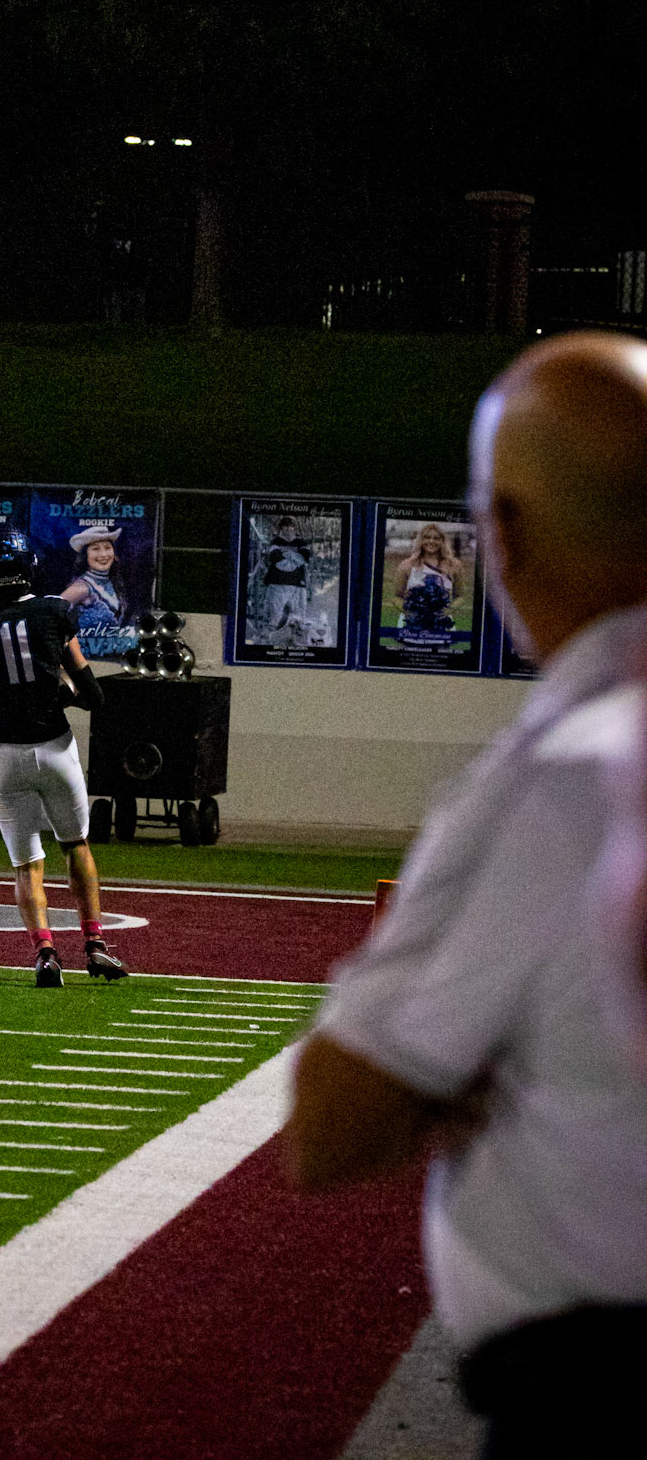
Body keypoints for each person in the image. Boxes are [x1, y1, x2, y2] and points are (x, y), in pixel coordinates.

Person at [284, 333, 647, 1456]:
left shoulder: (560, 779)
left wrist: (469, 1069)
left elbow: (332, 1125)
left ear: (507, 531)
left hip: (598, 1382)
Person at [0, 520, 129, 987]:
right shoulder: (55, 612)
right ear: (27, 566)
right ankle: (96, 946)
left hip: (5, 756)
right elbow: (94, 696)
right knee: (76, 844)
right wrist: (62, 694)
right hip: (55, 749)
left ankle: (45, 954)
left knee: (27, 865)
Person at [393, 519, 463, 646]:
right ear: (420, 540)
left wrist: (447, 611)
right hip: (412, 629)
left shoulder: (454, 565)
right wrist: (411, 613)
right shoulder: (407, 564)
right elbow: (396, 596)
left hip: (441, 628)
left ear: (442, 541)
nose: (431, 541)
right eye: (427, 537)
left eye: (436, 538)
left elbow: (460, 596)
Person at [60, 525, 129, 640]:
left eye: (107, 548)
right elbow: (51, 616)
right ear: (85, 555)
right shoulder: (81, 587)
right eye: (96, 549)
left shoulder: (114, 582)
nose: (103, 555)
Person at [251, 514, 312, 640]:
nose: (288, 530)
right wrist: (294, 557)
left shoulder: (301, 543)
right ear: (281, 529)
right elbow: (275, 558)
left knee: (299, 610)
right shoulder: (275, 542)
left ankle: (297, 634)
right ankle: (267, 633)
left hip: (297, 582)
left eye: (291, 528)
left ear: (294, 529)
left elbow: (305, 557)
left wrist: (286, 554)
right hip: (277, 581)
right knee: (274, 609)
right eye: (285, 528)